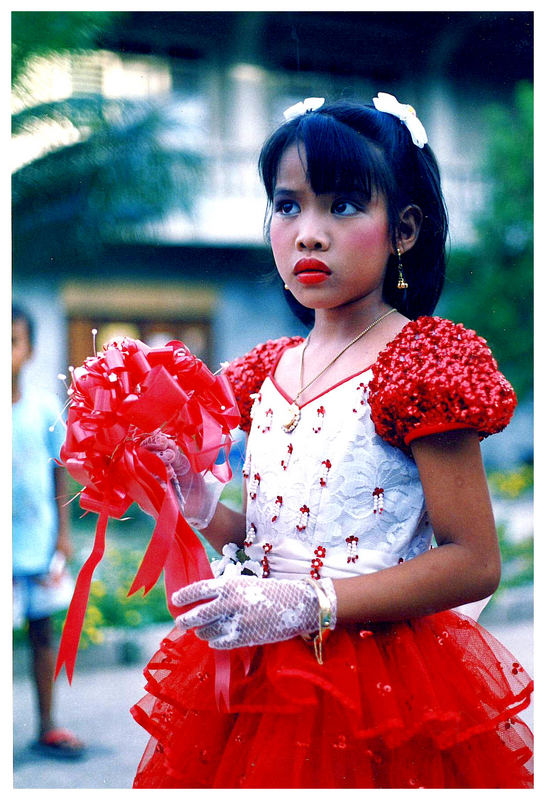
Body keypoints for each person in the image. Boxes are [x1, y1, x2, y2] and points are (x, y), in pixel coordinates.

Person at [130, 94, 533, 788]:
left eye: (342, 205)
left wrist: (309, 603)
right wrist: (199, 508)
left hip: (379, 684)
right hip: (257, 677)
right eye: (288, 206)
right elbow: (268, 537)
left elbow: (472, 562)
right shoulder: (262, 370)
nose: (308, 233)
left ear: (403, 229)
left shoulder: (422, 363)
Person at [12, 304, 85, 759]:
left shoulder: (41, 409)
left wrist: (63, 534)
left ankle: (47, 725)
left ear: (30, 351)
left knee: (42, 636)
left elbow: (61, 473)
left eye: (12, 343)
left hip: (38, 548)